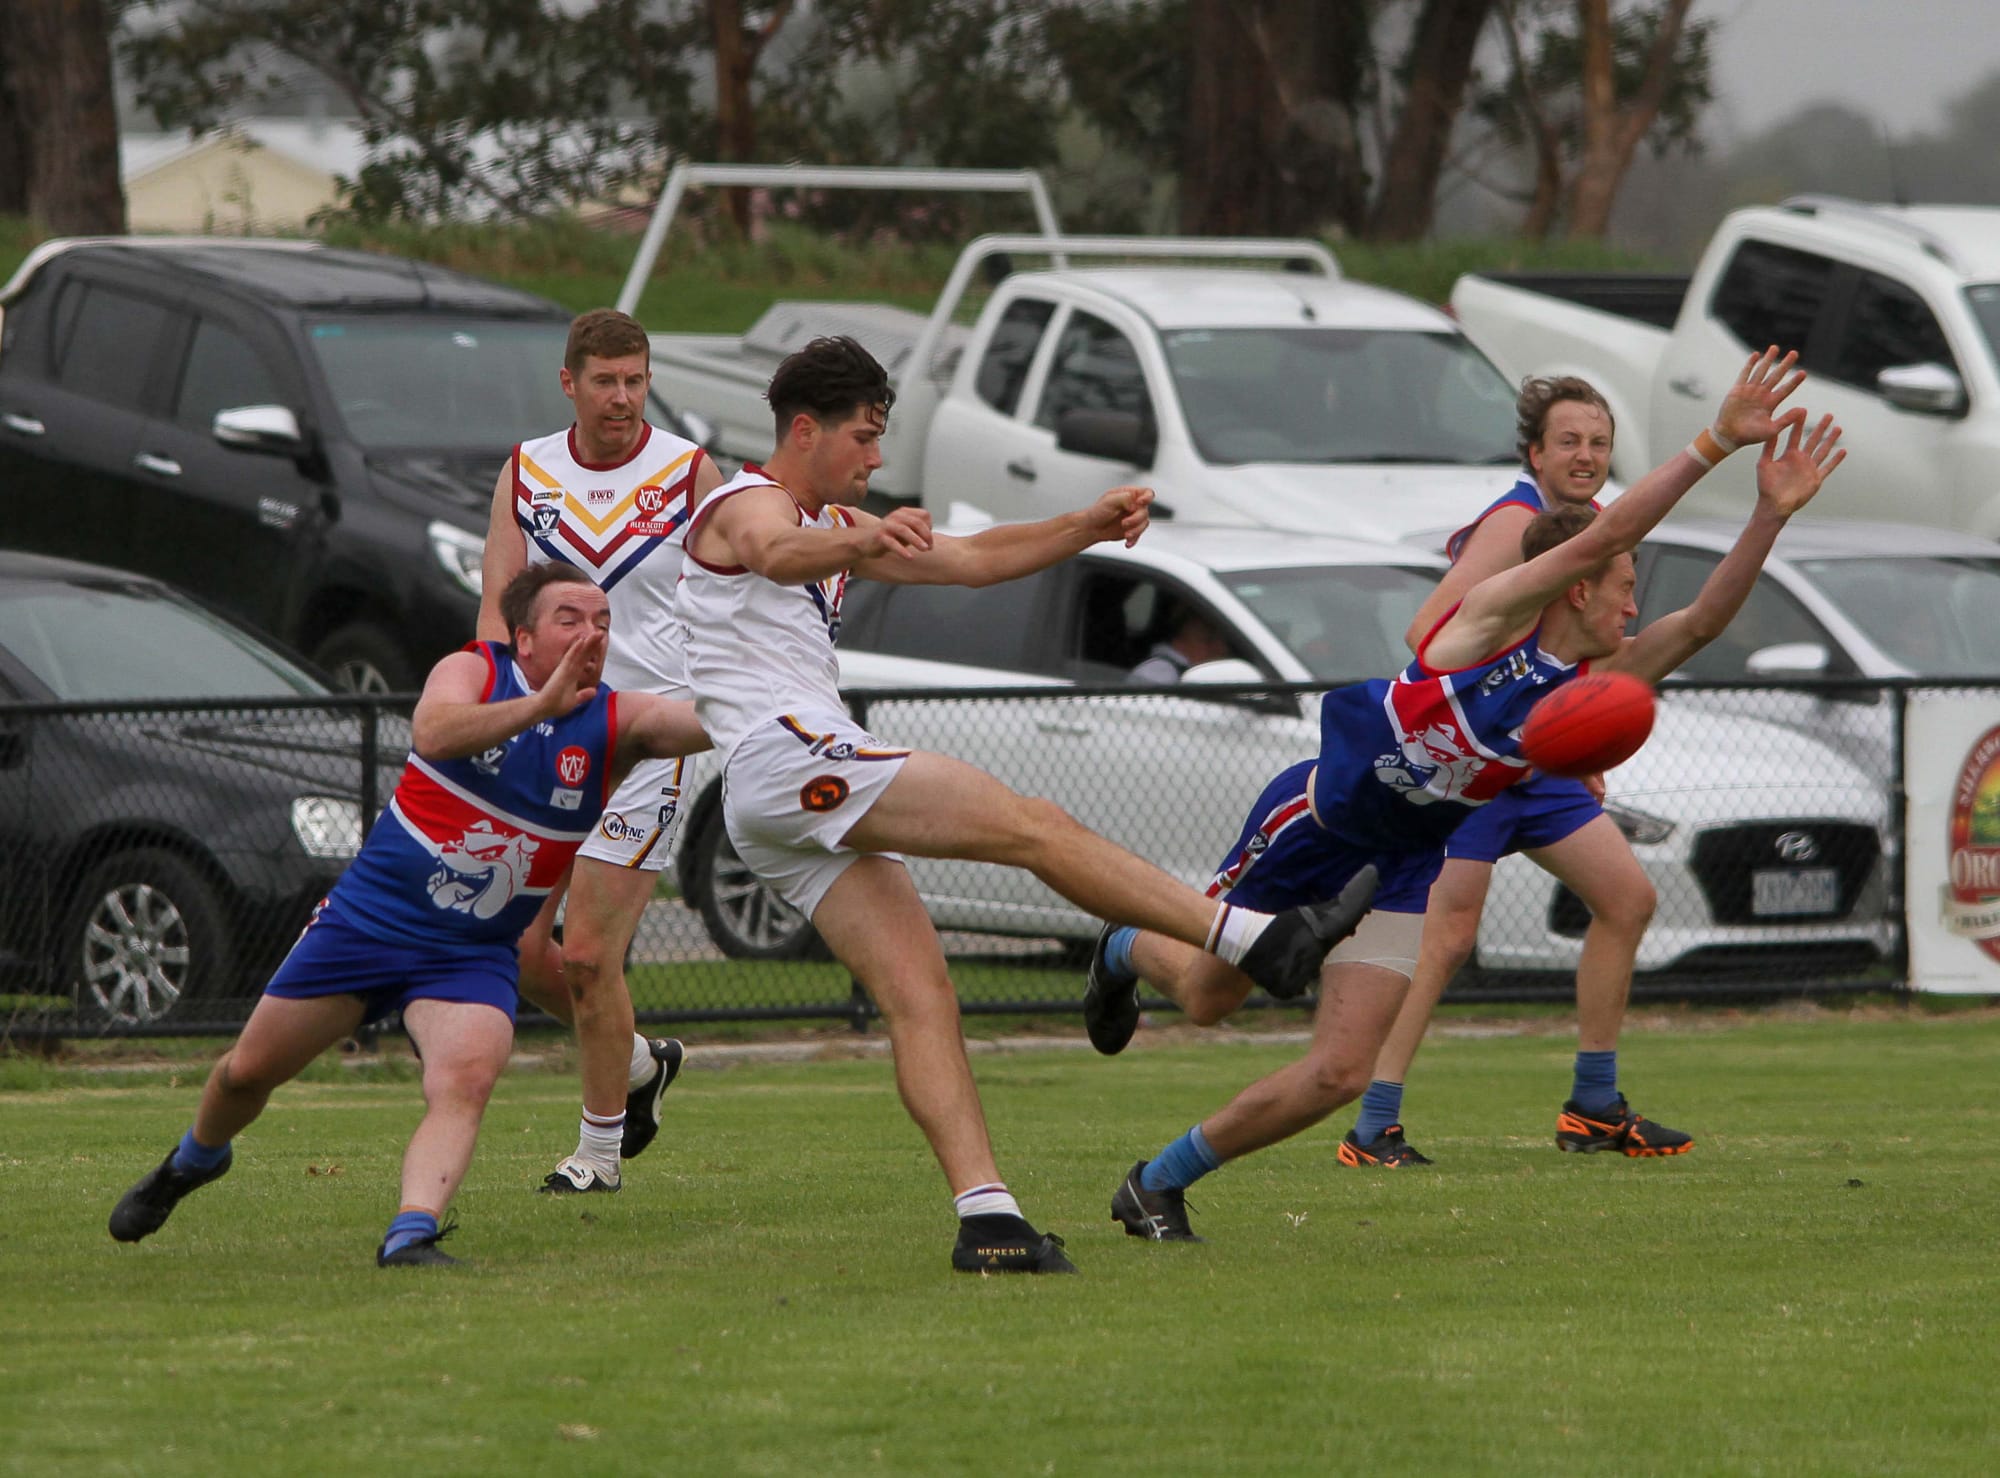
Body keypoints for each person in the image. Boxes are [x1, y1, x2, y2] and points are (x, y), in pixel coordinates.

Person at [1086, 349, 1843, 1242]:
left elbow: (1705, 621)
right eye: (1626, 589)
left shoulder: (1589, 687)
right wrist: (1713, 441)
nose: (1635, 610)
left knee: (1340, 1074)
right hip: (1316, 828)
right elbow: (1600, 536)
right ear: (1579, 586)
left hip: (1402, 867)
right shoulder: (1488, 626)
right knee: (1210, 998)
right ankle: (1126, 945)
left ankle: (1156, 1184)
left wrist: (1768, 513)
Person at [674, 334, 1376, 1275]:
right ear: (805, 430)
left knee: (923, 997)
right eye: (864, 437)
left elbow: (974, 558)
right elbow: (773, 550)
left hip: (779, 795)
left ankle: (988, 1222)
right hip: (790, 758)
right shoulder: (746, 503)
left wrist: (1084, 525)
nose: (875, 458)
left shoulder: (833, 523)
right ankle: (1252, 939)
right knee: (1033, 825)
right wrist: (862, 536)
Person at [108, 566, 712, 1266]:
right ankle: (195, 1159)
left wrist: (780, 673)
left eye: (603, 622)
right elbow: (433, 732)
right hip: (367, 925)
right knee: (245, 1074)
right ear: (523, 637)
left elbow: (712, 719)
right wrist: (538, 706)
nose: (593, 634)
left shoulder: (616, 721)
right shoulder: (475, 670)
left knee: (464, 1081)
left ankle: (411, 1233)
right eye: (570, 619)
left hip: (471, 954)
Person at [1339, 375, 1676, 1169]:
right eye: (1569, 442)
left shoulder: (1591, 525)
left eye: (1598, 443)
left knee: (1627, 899)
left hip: (1537, 766)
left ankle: (1594, 1106)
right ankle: (1373, 1125)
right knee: (1448, 938)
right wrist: (1510, 729)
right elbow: (1429, 635)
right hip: (1479, 765)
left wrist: (1569, 741)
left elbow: (1583, 652)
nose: (1586, 455)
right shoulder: (1516, 523)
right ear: (1535, 453)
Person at [477, 307, 726, 1195]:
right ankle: (638, 1066)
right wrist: (492, 715)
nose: (622, 398)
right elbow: (497, 612)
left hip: (647, 739)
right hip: (546, 738)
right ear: (569, 383)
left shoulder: (690, 473)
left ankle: (599, 1153)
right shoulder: (527, 470)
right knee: (513, 948)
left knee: (586, 955)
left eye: (636, 380)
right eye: (605, 381)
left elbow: (734, 590)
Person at [1127, 610, 1231, 684]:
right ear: (1179, 642)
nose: (1222, 649)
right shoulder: (1158, 673)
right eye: (1209, 640)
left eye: (1221, 640)